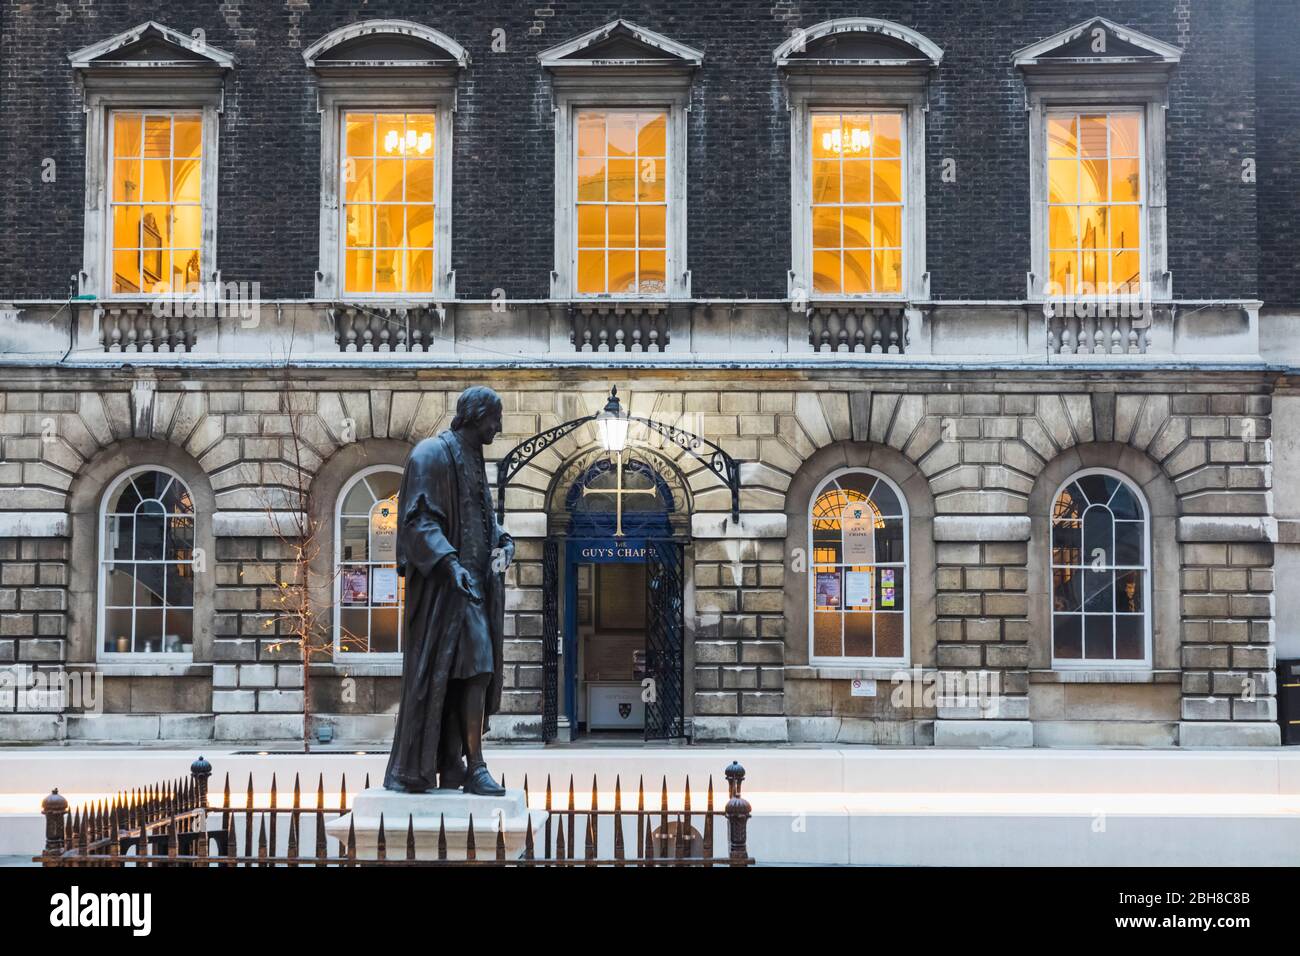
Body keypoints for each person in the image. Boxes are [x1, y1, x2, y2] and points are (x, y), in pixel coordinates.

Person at [382, 386, 514, 795]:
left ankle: (452, 763)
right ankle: (473, 767)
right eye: (494, 418)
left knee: (467, 676)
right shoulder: (431, 454)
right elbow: (418, 522)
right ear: (475, 416)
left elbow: (481, 522)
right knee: (477, 670)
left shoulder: (472, 460)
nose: (499, 427)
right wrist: (450, 564)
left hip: (474, 590)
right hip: (447, 593)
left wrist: (504, 540)